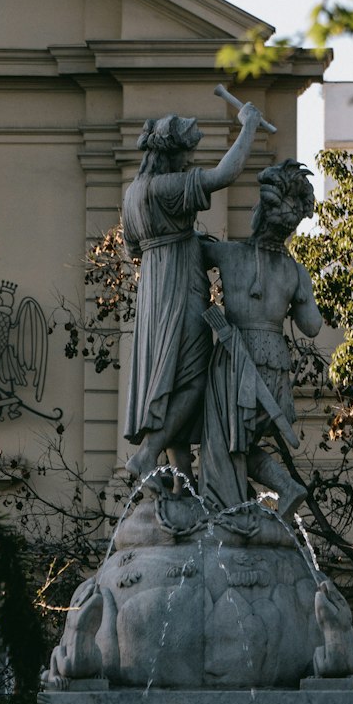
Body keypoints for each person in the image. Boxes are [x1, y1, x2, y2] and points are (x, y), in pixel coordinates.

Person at [122, 103, 263, 481]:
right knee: (193, 377)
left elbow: (133, 249)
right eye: (186, 153)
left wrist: (181, 237)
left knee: (169, 382)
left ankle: (181, 483)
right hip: (180, 287)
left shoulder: (132, 194)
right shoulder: (168, 186)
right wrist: (248, 125)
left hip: (153, 289)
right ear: (172, 154)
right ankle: (148, 454)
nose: (189, 160)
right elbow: (225, 173)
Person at [199, 159, 322, 518]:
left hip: (236, 360)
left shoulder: (229, 254)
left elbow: (189, 251)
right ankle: (283, 488)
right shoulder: (296, 272)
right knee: (244, 441)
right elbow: (312, 326)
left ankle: (236, 506)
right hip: (275, 364)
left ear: (259, 213)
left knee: (224, 442)